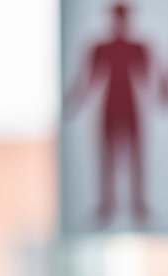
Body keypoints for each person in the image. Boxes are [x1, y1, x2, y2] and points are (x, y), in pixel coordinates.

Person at [65, 4, 154, 225]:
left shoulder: (138, 47)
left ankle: (137, 203)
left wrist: (164, 96)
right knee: (107, 158)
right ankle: (107, 204)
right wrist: (74, 101)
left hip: (131, 106)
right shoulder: (100, 48)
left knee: (135, 157)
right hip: (110, 106)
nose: (120, 24)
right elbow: (89, 80)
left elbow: (147, 79)